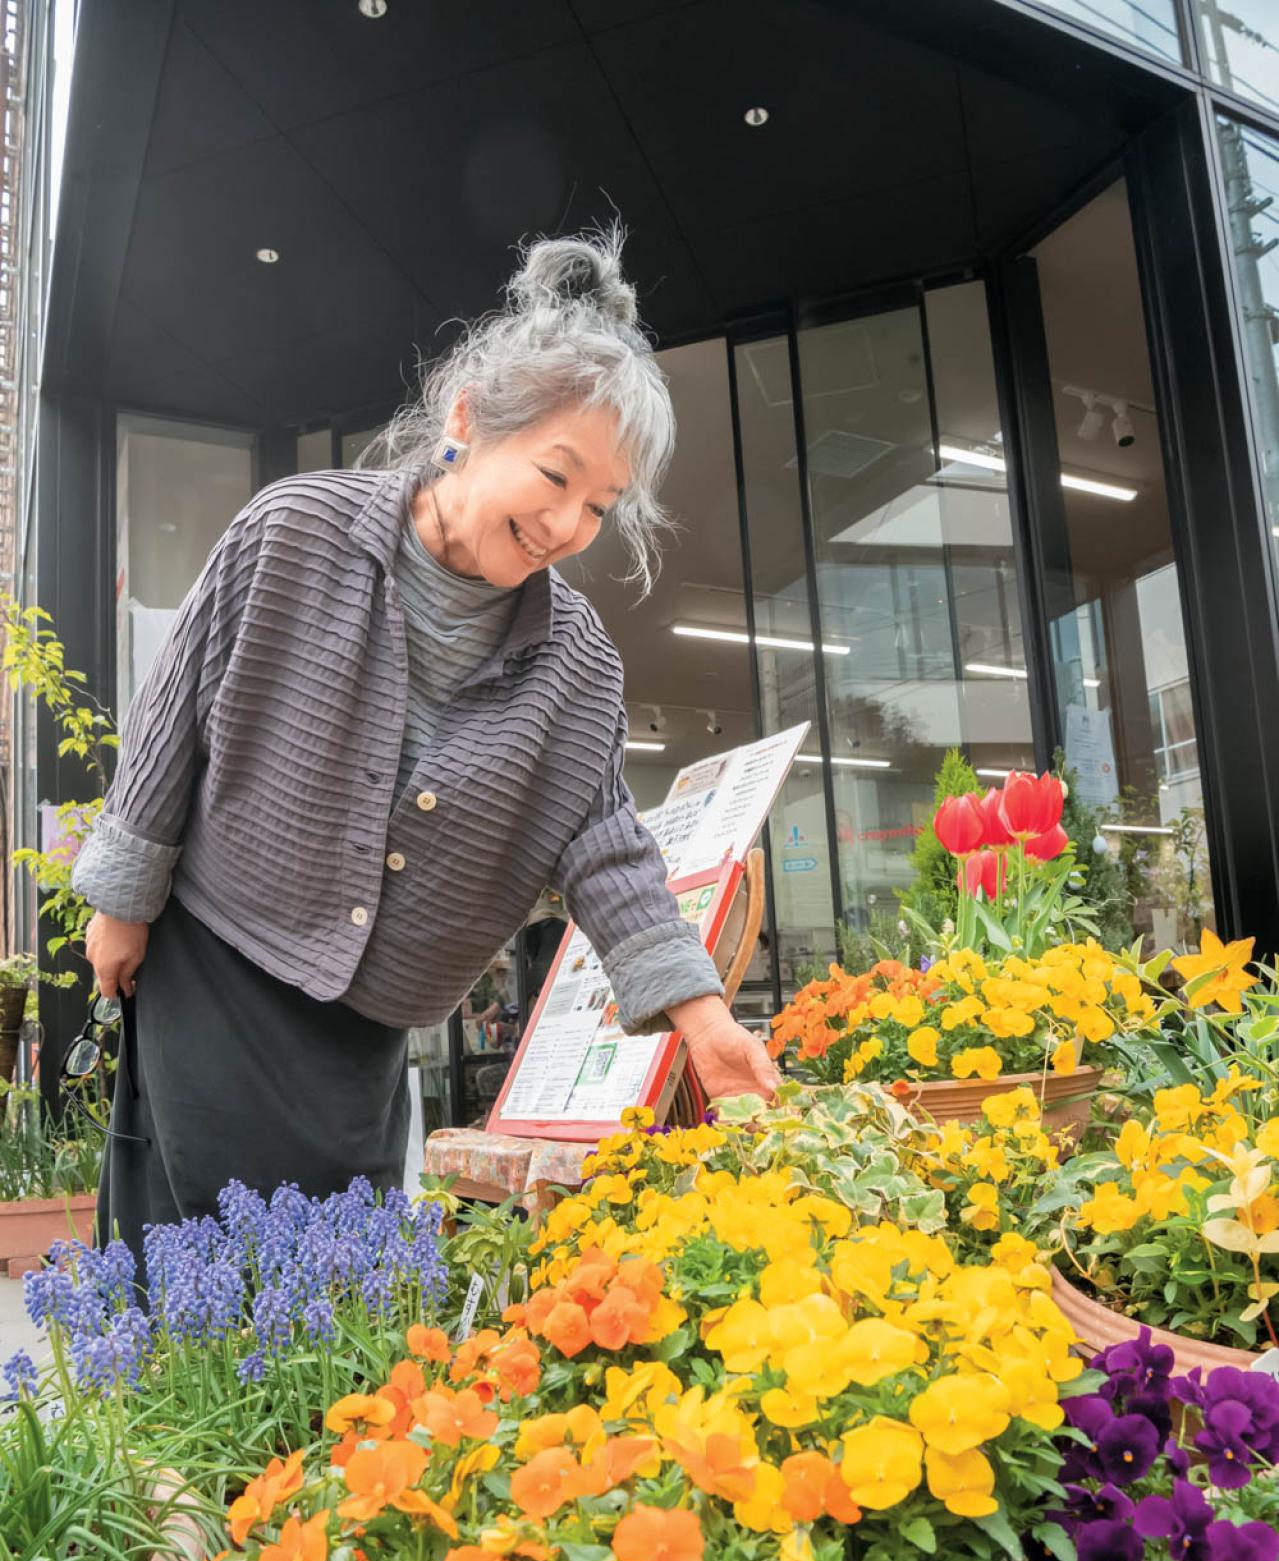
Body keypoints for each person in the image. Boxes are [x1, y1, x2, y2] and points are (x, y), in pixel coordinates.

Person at [74, 228, 780, 1263]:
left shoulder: (575, 662)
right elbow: (170, 715)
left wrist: (704, 1020)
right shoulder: (294, 529)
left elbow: (607, 850)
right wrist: (122, 902)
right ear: (465, 419)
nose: (567, 524)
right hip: (217, 956)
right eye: (555, 476)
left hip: (368, 1023)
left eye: (599, 506)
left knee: (341, 1277)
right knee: (212, 1260)